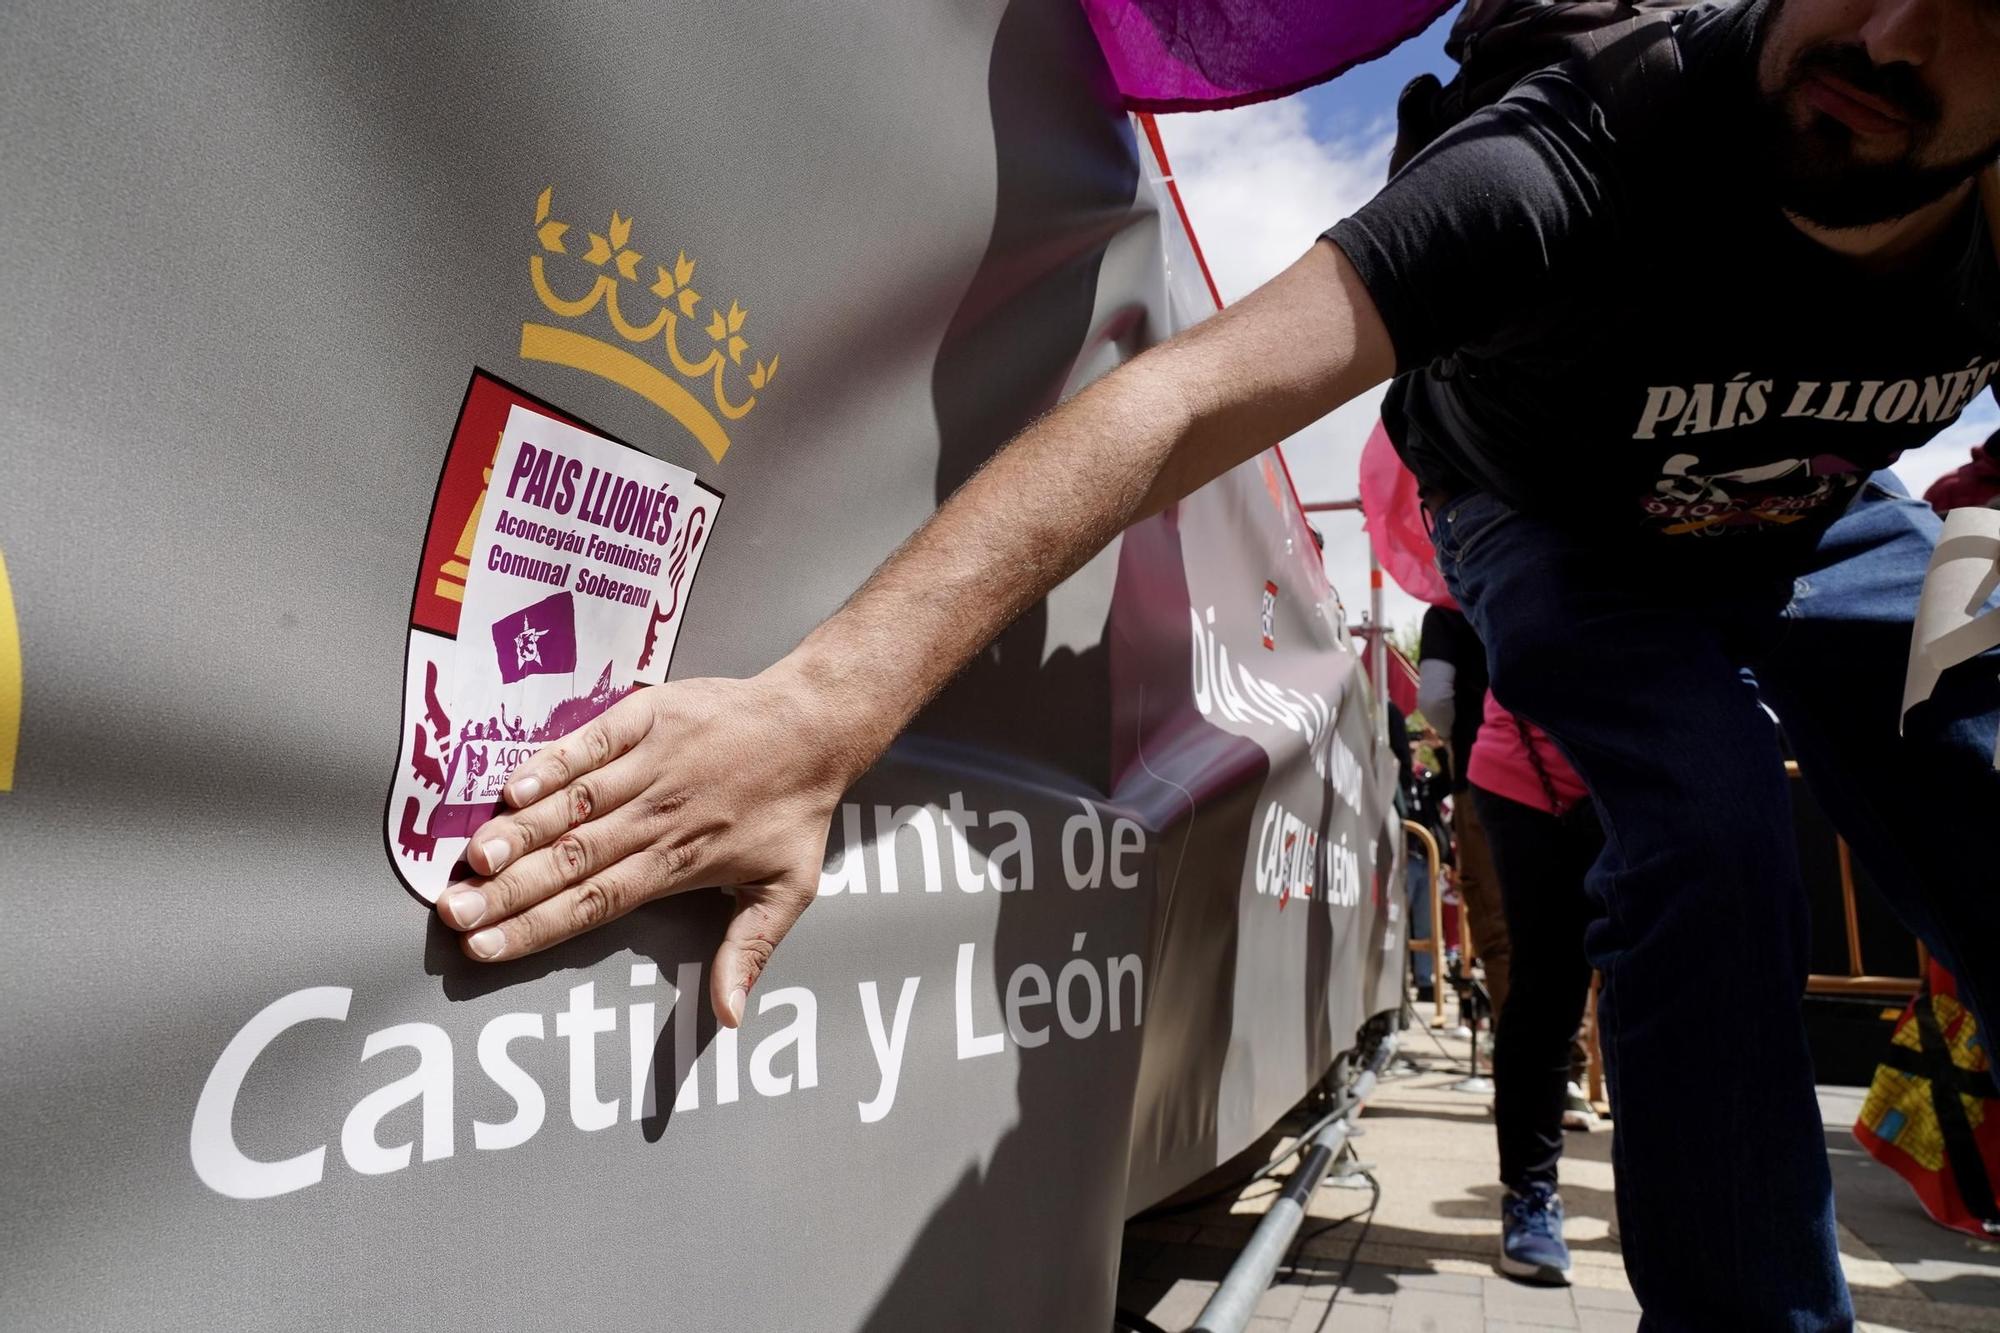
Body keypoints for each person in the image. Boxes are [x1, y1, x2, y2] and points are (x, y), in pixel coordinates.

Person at [433, 2, 2000, 1323]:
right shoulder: (1586, 150)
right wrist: (821, 709)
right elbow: (1178, 402)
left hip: (1817, 519)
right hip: (1557, 523)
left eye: (1975, 11)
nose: (1888, 34)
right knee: (1716, 829)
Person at [1466, 689, 1606, 1285]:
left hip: (1651, 761)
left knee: (1660, 988)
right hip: (1526, 777)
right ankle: (1530, 1192)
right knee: (1547, 991)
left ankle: (1669, 1192)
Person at [1417, 605, 1513, 1032]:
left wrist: (1459, 737)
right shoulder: (1549, 573)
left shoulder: (1446, 611)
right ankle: (1575, 1065)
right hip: (1567, 775)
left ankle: (1527, 1073)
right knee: (1566, 927)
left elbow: (1435, 699)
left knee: (1499, 930)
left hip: (1482, 778)